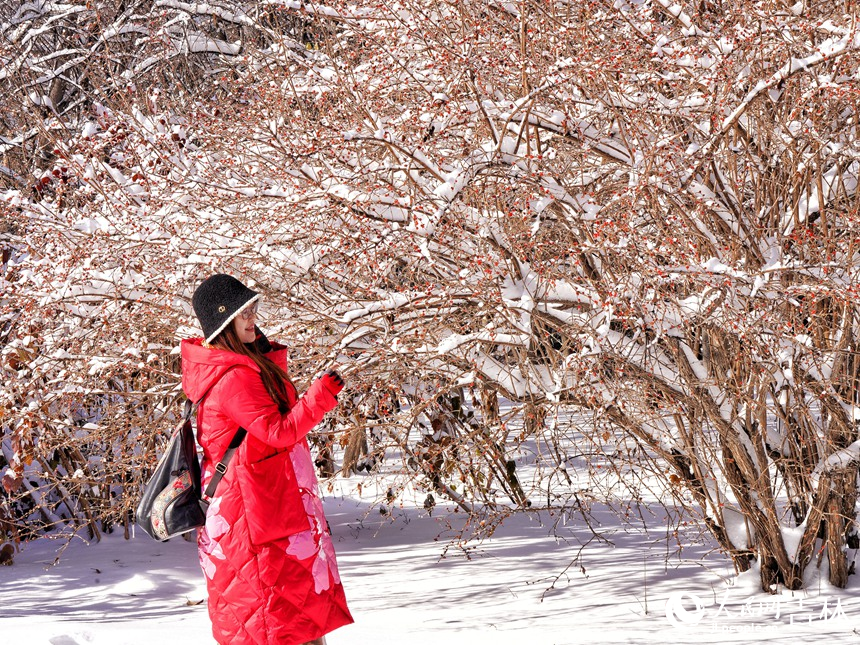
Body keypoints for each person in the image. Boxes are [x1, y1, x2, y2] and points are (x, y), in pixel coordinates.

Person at [180, 273, 353, 645]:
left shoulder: (237, 367)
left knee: (289, 618)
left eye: (253, 308)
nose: (252, 318)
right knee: (275, 622)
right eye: (244, 312)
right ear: (224, 321)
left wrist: (263, 352)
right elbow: (278, 431)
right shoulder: (232, 379)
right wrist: (321, 396)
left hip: (262, 506)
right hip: (254, 516)